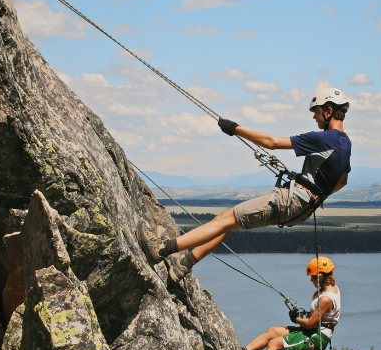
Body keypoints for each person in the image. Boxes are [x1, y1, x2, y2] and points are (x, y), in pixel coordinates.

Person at [137, 87, 352, 281]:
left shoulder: (326, 138)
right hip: (304, 207)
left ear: (329, 110)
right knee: (229, 222)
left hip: (292, 200)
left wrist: (235, 129)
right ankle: (182, 265)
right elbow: (342, 181)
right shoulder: (345, 143)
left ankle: (161, 249)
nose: (314, 116)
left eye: (317, 111)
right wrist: (319, 192)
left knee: (222, 220)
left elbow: (272, 142)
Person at [242, 256, 341, 350]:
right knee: (272, 331)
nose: (311, 280)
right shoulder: (333, 288)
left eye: (312, 277)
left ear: (320, 276)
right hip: (315, 330)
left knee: (274, 343)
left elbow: (311, 323)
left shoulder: (325, 298)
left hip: (318, 336)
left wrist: (295, 319)